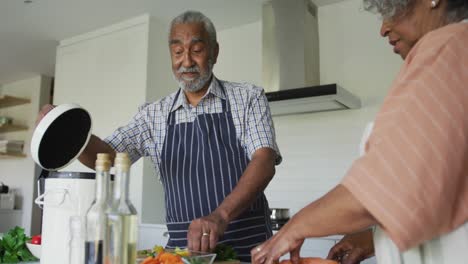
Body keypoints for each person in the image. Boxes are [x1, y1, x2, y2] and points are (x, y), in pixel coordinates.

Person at [38, 10, 281, 261]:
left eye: (196, 50)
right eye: (177, 52)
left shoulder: (247, 97)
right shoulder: (153, 115)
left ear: (214, 52)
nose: (186, 62)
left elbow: (264, 160)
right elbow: (107, 158)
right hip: (181, 256)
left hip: (249, 251)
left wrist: (220, 216)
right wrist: (64, 130)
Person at [251, 0, 468, 263]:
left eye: (393, 10)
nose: (383, 28)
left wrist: (294, 227)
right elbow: (441, 190)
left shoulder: (452, 44)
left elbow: (391, 183)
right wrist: (371, 239)